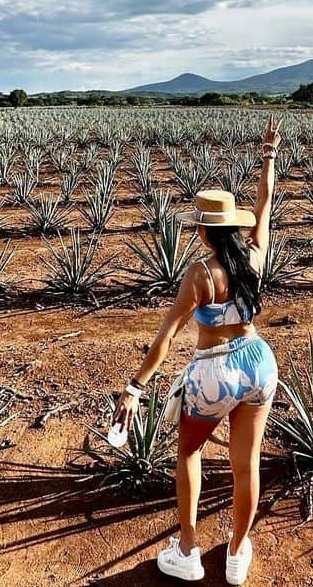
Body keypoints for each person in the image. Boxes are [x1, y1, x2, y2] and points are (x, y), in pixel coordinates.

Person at [111, 115, 283, 585]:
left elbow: (166, 338)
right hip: (258, 362)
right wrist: (268, 154)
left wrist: (134, 387)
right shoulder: (256, 254)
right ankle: (235, 554)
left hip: (214, 372)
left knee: (188, 454)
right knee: (246, 464)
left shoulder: (200, 275)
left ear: (205, 232)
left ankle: (187, 550)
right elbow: (265, 204)